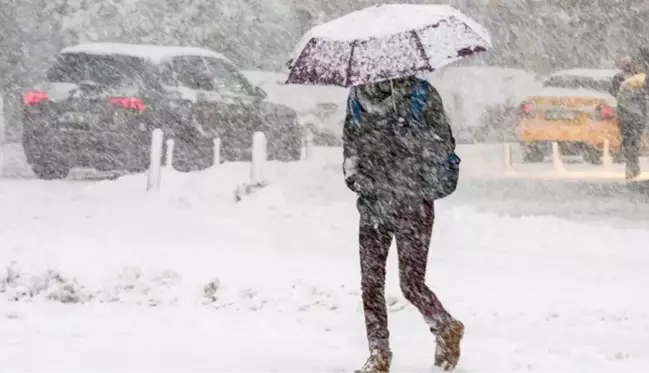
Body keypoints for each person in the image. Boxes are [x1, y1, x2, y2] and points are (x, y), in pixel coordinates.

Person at [342, 75, 463, 373]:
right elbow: (350, 148)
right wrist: (356, 177)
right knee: (371, 282)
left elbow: (443, 143)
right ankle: (379, 354)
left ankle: (445, 326)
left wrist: (411, 137)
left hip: (414, 201)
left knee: (411, 283)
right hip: (374, 203)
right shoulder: (357, 97)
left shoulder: (421, 94)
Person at [616, 49, 649, 179]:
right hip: (629, 114)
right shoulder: (621, 78)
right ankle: (631, 166)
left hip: (634, 114)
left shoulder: (641, 78)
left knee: (632, 141)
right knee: (630, 141)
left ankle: (632, 165)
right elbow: (615, 92)